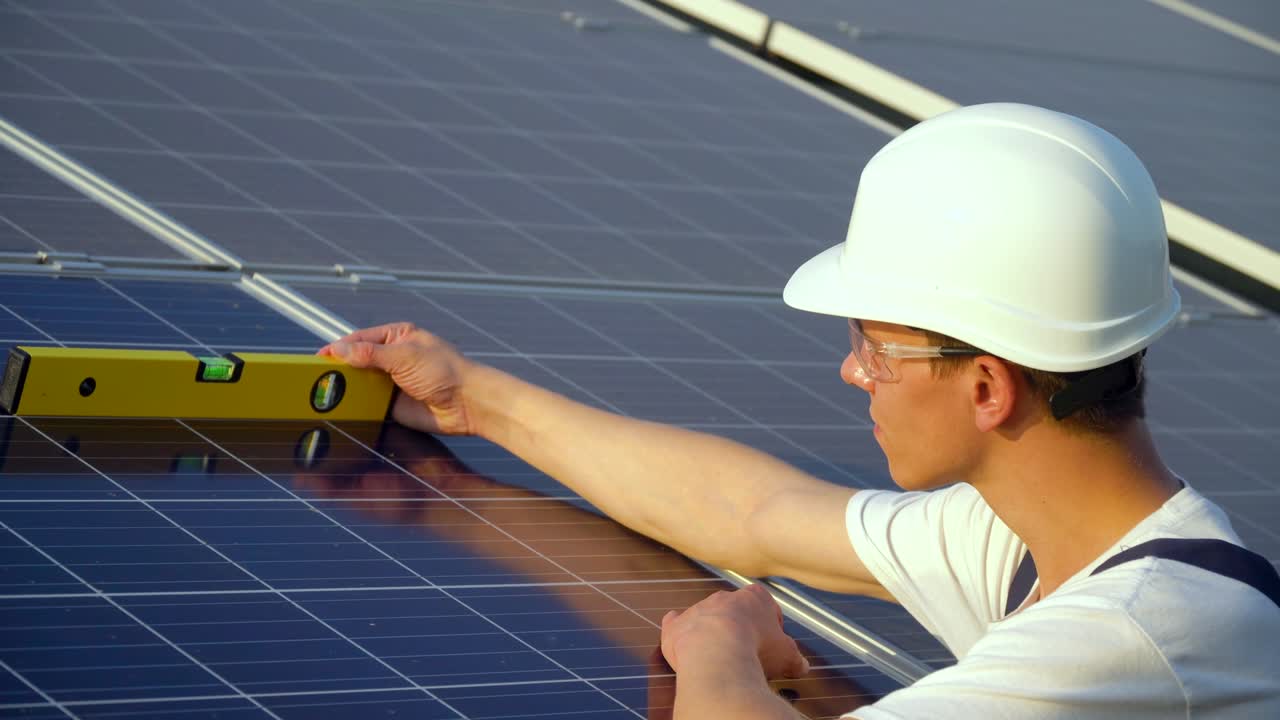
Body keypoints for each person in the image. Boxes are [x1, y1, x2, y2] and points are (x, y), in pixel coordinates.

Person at [319, 104, 1280, 719]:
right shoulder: (1033, 543)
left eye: (876, 346)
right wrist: (470, 397)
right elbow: (752, 516)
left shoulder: (1143, 636)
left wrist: (719, 652)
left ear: (989, 388)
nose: (852, 372)